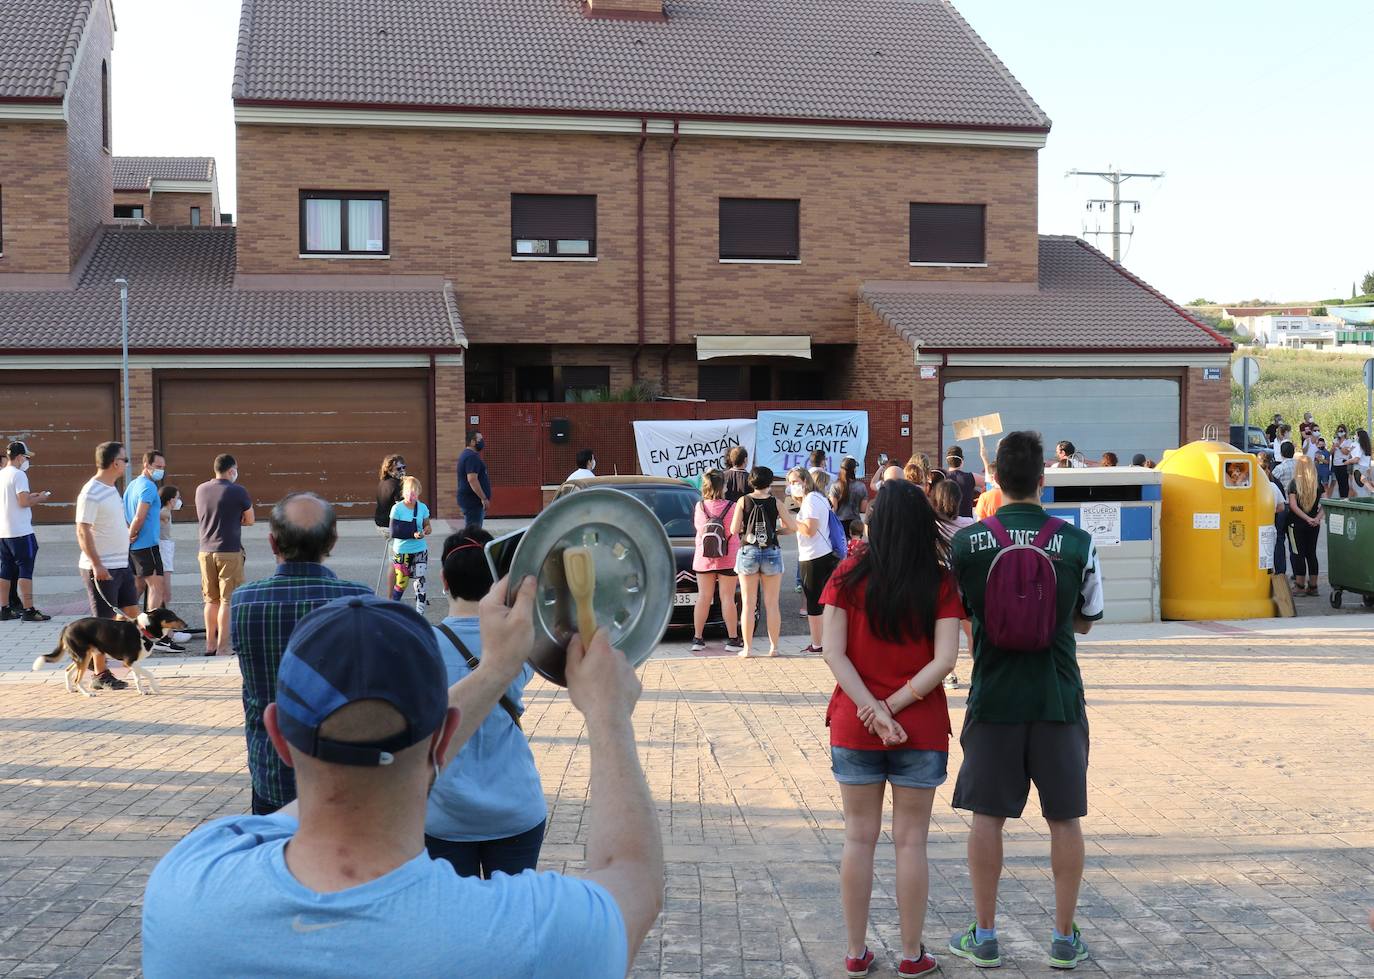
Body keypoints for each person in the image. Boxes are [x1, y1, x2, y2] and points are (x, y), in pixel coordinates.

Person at [142, 590, 664, 978]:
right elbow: (633, 876)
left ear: (277, 735)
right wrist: (607, 713)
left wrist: (495, 670)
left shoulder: (187, 882)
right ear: (444, 742)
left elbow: (341, 797)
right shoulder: (524, 937)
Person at [947, 430, 1103, 971]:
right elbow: (1085, 622)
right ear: (1043, 478)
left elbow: (964, 613)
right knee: (1064, 819)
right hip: (1058, 696)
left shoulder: (966, 544)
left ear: (996, 481)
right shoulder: (1077, 542)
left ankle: (984, 934)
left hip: (993, 697)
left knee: (987, 817)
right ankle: (1063, 939)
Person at [819, 479, 960, 979]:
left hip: (855, 728)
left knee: (858, 839)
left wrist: (871, 710)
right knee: (911, 842)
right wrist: (894, 707)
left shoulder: (845, 575)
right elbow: (945, 659)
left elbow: (832, 652)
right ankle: (910, 953)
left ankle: (855, 953)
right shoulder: (940, 581)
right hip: (919, 728)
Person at [230, 492, 373, 816]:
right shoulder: (359, 599)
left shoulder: (245, 602)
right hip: (342, 772)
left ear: (272, 543)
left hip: (272, 771)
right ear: (331, 541)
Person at [426, 529, 547, 878]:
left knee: (455, 926)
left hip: (443, 816)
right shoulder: (522, 641)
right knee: (513, 925)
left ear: (444, 581)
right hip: (517, 808)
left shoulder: (419, 647)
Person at [74, 442, 136, 690]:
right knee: (103, 622)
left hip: (122, 564)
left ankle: (123, 658)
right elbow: (82, 530)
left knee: (130, 614)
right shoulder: (91, 492)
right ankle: (100, 673)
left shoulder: (111, 489)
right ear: (115, 463)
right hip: (102, 568)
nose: (126, 463)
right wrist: (97, 564)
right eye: (125, 459)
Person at [729, 466, 796, 658]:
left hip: (748, 551)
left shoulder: (743, 500)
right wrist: (776, 533)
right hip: (771, 550)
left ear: (752, 481)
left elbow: (734, 529)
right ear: (769, 482)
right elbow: (792, 527)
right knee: (772, 603)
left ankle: (748, 649)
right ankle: (774, 648)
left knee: (748, 603)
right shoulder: (776, 502)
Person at [196, 454, 254, 657]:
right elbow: (250, 519)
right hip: (229, 550)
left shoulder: (201, 489)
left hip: (205, 551)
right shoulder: (238, 491)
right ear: (231, 470)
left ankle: (209, 645)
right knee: (227, 601)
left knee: (211, 600)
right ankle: (223, 647)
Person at [0, 440, 52, 622]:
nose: (26, 460)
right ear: (20, 457)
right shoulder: (19, 475)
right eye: (26, 457)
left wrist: (32, 495)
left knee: (5, 569)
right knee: (25, 569)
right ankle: (29, 609)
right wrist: (40, 499)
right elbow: (22, 502)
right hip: (21, 531)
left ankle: (4, 608)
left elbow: (13, 499)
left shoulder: (2, 474)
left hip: (4, 532)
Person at [691, 470, 742, 654]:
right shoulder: (733, 506)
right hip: (728, 557)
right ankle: (733, 639)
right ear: (723, 487)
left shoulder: (700, 507)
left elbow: (699, 528)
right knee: (727, 598)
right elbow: (734, 530)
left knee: (704, 597)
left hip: (704, 558)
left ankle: (698, 638)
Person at [790, 467, 839, 654]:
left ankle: (817, 643)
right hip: (823, 553)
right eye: (790, 482)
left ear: (805, 480)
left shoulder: (811, 500)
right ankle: (824, 641)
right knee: (824, 600)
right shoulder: (818, 497)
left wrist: (789, 519)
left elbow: (809, 530)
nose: (792, 486)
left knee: (814, 601)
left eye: (795, 482)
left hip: (813, 556)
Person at [124, 448, 172, 617]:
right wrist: (131, 533)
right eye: (157, 466)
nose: (161, 470)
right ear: (146, 464)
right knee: (157, 587)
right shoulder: (149, 487)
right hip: (147, 545)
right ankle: (152, 632)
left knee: (138, 586)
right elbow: (139, 515)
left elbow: (125, 513)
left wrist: (129, 534)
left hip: (136, 546)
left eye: (163, 467)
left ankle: (122, 622)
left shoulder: (132, 485)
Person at [389, 476, 433, 613]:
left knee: (420, 580)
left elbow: (427, 524)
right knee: (402, 582)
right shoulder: (397, 508)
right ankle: (393, 608)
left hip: (420, 549)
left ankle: (420, 613)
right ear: (403, 492)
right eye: (408, 492)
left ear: (418, 492)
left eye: (413, 492)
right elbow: (393, 531)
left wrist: (427, 529)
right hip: (402, 551)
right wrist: (412, 534)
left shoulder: (422, 508)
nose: (410, 495)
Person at [1287, 456, 1323, 597]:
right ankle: (1313, 586)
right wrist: (1316, 518)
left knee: (1298, 554)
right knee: (1311, 554)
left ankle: (1300, 585)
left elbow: (1293, 506)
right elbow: (1325, 503)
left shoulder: (1294, 484)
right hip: (1314, 524)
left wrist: (1306, 518)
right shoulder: (1317, 484)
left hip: (1296, 523)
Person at [1259, 455, 1288, 577]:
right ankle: (1279, 575)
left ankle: (1267, 576)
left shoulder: (1256, 486)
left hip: (1264, 525)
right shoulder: (1274, 484)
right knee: (1275, 547)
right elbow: (1282, 506)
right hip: (1273, 523)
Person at [157, 484, 184, 611]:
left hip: (165, 547)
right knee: (166, 592)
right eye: (177, 498)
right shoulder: (164, 513)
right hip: (164, 548)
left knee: (163, 591)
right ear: (170, 500)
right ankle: (165, 624)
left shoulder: (165, 512)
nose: (179, 501)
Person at [456, 431, 491, 528]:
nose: (482, 442)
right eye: (480, 440)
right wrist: (483, 498)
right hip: (473, 501)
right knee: (473, 531)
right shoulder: (471, 457)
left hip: (470, 500)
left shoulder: (467, 455)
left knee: (472, 529)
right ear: (472, 442)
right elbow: (472, 479)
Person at [831, 456, 869, 538]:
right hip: (856, 523)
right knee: (855, 548)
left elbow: (834, 508)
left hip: (840, 523)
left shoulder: (835, 486)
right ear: (854, 470)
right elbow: (863, 509)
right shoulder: (861, 486)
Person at [374, 455, 406, 534]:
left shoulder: (383, 481)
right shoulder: (396, 484)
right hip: (390, 525)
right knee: (397, 545)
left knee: (391, 544)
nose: (402, 470)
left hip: (380, 522)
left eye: (403, 467)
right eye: (398, 469)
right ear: (389, 470)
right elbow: (401, 506)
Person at [944, 447, 979, 519]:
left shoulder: (942, 477)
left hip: (947, 522)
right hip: (966, 521)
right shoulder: (971, 477)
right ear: (961, 461)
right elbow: (990, 482)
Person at [1331, 425, 1352, 499]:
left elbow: (1346, 452)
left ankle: (1345, 498)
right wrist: (1333, 447)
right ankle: (1341, 498)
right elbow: (1331, 452)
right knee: (1339, 483)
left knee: (1345, 483)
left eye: (1341, 431)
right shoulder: (1335, 440)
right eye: (1339, 431)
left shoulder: (1348, 441)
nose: (1340, 432)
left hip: (1344, 464)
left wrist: (1339, 446)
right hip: (1336, 464)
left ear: (1345, 432)